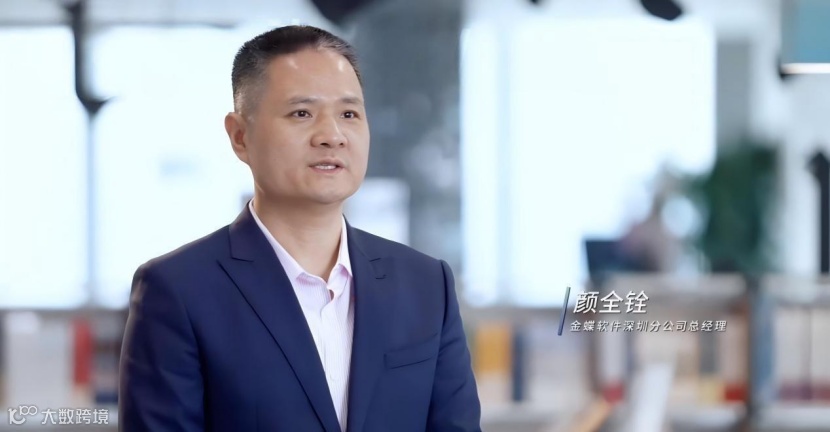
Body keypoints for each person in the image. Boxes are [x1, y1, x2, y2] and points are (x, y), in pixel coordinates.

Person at [118, 25, 482, 432]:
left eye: (349, 114)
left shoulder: (427, 285)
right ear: (240, 136)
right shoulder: (178, 290)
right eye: (301, 113)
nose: (332, 136)